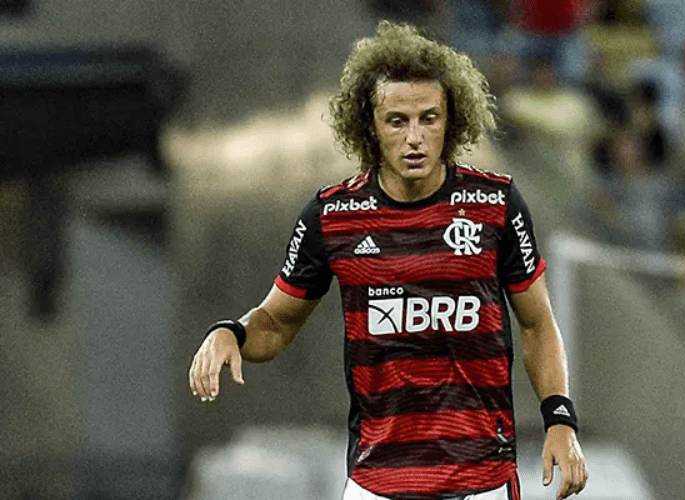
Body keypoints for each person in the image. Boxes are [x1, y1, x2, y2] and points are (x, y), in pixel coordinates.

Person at [189, 21, 588, 500]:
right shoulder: (332, 216)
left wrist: (559, 419)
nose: (415, 137)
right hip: (378, 482)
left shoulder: (495, 204)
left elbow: (538, 324)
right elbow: (275, 323)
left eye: (429, 118)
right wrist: (230, 333)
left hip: (480, 479)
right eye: (397, 121)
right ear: (370, 127)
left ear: (451, 121)